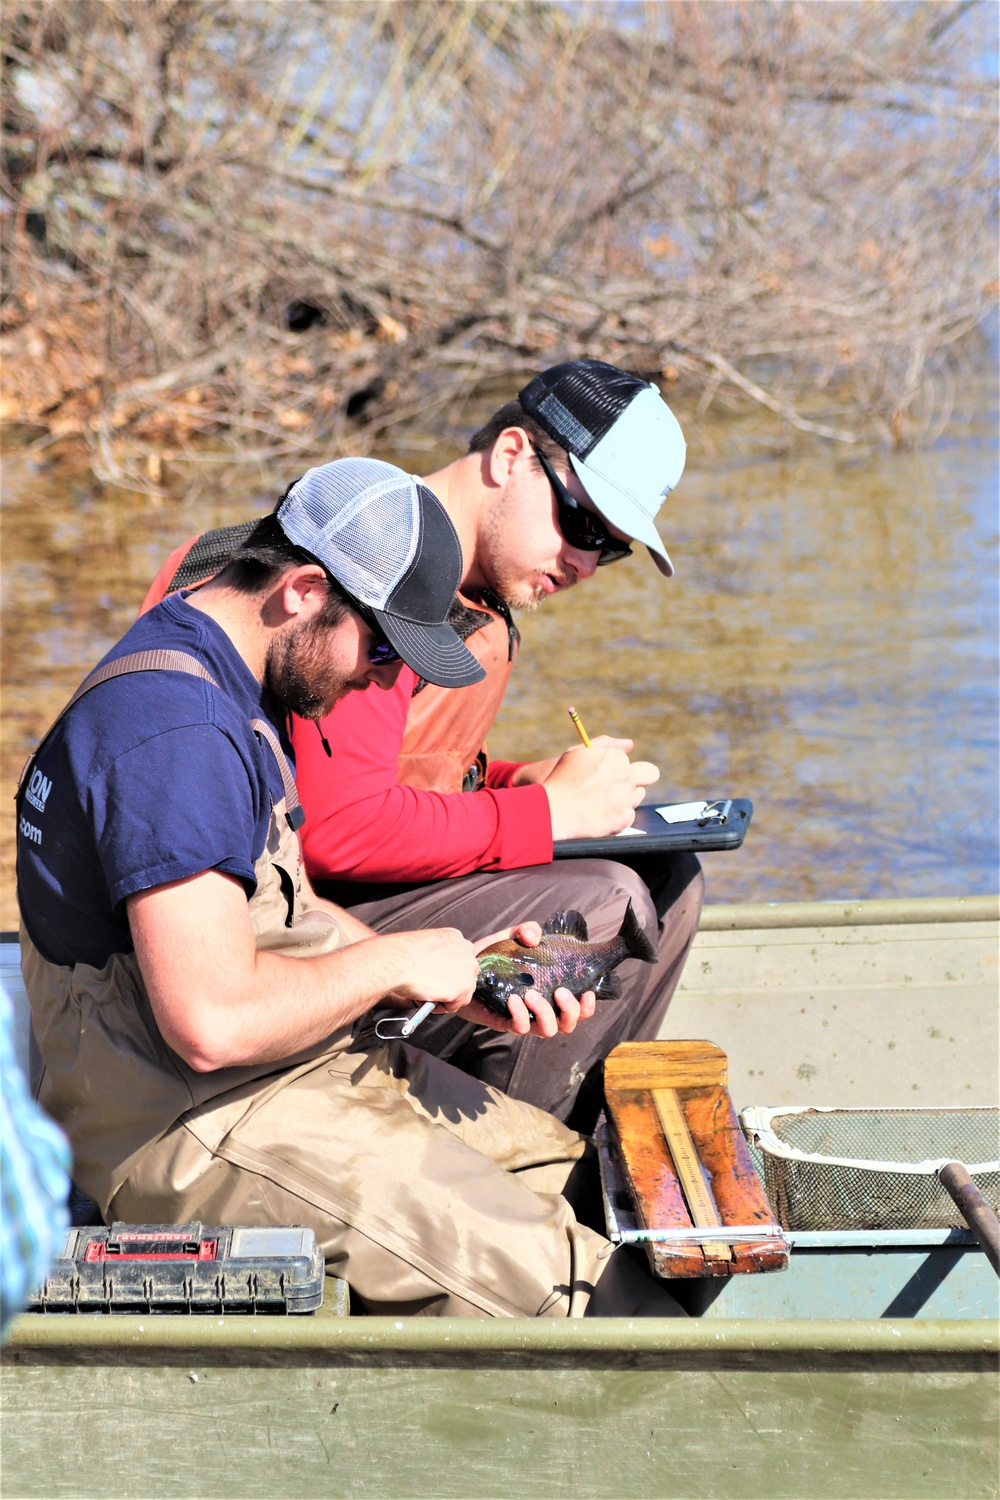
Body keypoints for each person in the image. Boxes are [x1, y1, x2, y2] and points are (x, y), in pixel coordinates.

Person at [17, 457, 684, 1319]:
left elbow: (275, 914)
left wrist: (455, 978)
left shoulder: (226, 668)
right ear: (301, 590)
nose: (378, 681)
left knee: (588, 1183)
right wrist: (395, 962)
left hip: (289, 1073)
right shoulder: (173, 733)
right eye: (379, 648)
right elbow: (211, 1023)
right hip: (191, 1128)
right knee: (582, 1293)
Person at [140, 361, 705, 1134]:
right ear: (511, 456)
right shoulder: (378, 574)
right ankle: (508, 1163)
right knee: (600, 902)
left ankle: (577, 1146)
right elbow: (339, 828)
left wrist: (516, 780)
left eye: (611, 549)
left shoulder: (466, 582)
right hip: (272, 930)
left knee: (673, 878)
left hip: (334, 888)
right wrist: (544, 813)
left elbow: (389, 769)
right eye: (583, 525)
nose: (584, 563)